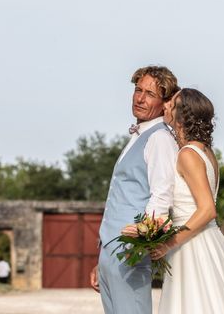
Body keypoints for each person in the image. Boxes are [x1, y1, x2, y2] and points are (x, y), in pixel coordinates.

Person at [151, 88, 224, 314]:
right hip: (208, 240)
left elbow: (207, 210)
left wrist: (169, 243)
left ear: (181, 117)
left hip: (192, 245)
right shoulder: (206, 152)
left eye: (172, 104)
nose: (166, 106)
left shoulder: (187, 154)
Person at [90, 66, 180, 314]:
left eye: (150, 93)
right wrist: (103, 258)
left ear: (164, 103)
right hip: (111, 252)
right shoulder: (139, 135)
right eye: (138, 90)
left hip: (131, 251)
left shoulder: (160, 138)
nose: (140, 98)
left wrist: (139, 246)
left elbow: (162, 194)